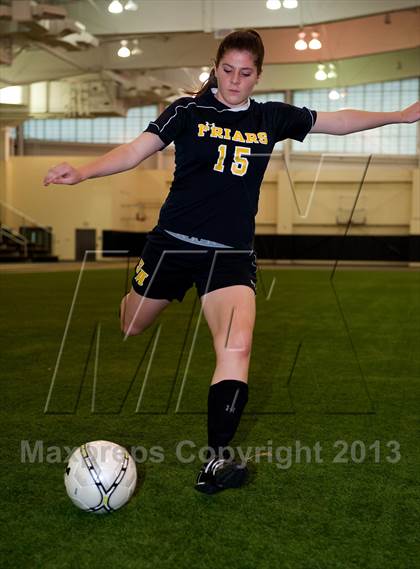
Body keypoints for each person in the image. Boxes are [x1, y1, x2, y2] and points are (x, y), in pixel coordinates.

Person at [43, 29, 419, 495]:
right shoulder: (188, 109)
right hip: (172, 245)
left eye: (245, 73)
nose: (235, 81)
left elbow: (336, 120)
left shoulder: (271, 117)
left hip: (231, 255)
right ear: (216, 66)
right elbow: (136, 150)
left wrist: (400, 116)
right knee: (132, 324)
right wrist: (81, 170)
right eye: (227, 70)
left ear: (259, 75)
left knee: (237, 345)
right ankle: (138, 296)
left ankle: (215, 460)